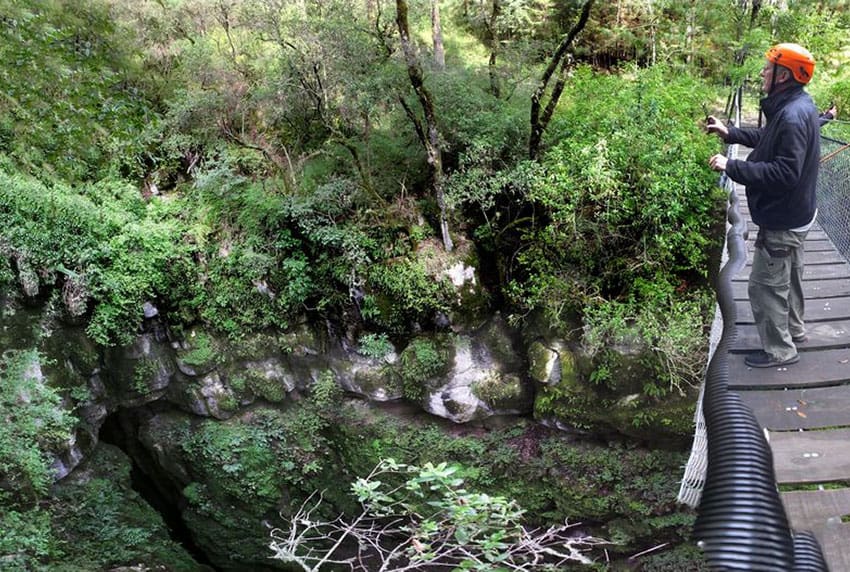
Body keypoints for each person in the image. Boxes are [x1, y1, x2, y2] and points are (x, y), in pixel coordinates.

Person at [706, 43, 820, 368]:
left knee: (763, 287)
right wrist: (730, 133)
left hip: (783, 219)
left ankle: (780, 351)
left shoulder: (793, 115)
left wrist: (732, 167)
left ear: (783, 75)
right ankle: (795, 330)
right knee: (792, 274)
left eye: (768, 68)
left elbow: (785, 173)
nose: (762, 72)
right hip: (799, 213)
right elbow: (768, 138)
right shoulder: (795, 106)